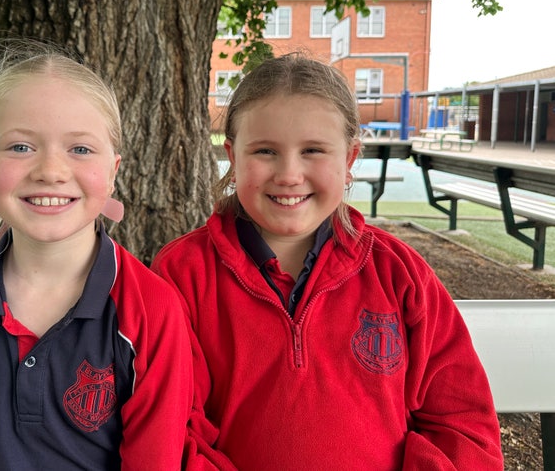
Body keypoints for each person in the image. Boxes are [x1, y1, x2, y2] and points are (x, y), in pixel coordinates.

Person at [151, 52, 504, 470]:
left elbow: (462, 423)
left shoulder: (400, 275)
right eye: (265, 151)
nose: (288, 174)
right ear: (232, 154)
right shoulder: (183, 274)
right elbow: (173, 429)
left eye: (313, 150)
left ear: (349, 158)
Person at [0, 42, 192, 470]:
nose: (50, 170)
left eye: (80, 149)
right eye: (21, 147)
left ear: (113, 172)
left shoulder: (152, 311)